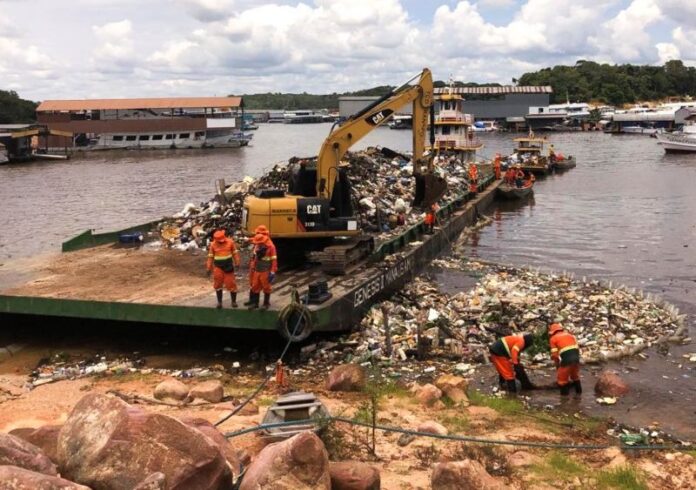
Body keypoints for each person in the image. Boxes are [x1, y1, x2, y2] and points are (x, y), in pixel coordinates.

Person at [206, 229, 241, 308]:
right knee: (218, 284)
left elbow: (235, 253)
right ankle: (219, 302)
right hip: (218, 267)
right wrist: (208, 268)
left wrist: (237, 263)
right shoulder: (213, 245)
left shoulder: (230, 242)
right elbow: (210, 257)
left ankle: (233, 302)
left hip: (228, 266)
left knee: (231, 283)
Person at [245, 230, 278, 310]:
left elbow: (274, 260)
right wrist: (253, 267)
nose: (257, 244)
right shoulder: (258, 245)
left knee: (266, 287)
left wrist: (273, 271)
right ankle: (255, 304)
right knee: (255, 286)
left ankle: (266, 303)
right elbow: (256, 258)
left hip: (266, 270)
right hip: (257, 269)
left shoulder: (271, 247)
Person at [548, 323, 582, 395]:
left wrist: (557, 365)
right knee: (575, 376)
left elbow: (555, 355)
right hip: (576, 359)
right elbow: (577, 348)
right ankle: (579, 395)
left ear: (552, 332)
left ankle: (564, 399)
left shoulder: (553, 339)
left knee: (562, 380)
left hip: (567, 360)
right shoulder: (570, 335)